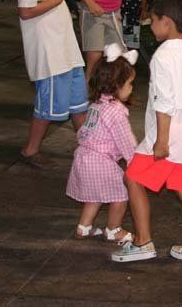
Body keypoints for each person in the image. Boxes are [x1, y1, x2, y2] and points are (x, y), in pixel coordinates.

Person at [112, 0, 182, 264]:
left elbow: (164, 102)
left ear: (166, 21)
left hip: (166, 136)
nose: (151, 24)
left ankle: (143, 241)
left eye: (153, 19)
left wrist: (161, 142)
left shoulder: (162, 57)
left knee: (132, 178)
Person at [17, 0, 88, 168]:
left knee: (79, 103)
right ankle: (30, 150)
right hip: (51, 56)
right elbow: (25, 9)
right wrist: (57, 0)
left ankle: (89, 147)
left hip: (64, 51)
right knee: (48, 106)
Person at [66, 43, 138, 242]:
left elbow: (83, 130)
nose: (132, 89)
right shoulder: (116, 111)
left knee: (95, 194)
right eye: (130, 84)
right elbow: (126, 141)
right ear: (117, 85)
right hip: (100, 160)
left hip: (83, 156)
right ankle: (114, 230)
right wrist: (135, 161)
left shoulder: (96, 105)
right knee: (120, 193)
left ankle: (84, 226)